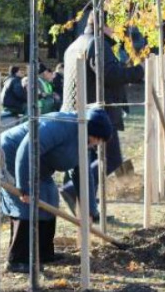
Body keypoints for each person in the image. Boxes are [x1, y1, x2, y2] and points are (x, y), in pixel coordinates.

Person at [0, 108, 113, 273]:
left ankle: (44, 253)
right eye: (98, 138)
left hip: (40, 166)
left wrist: (89, 209)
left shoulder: (84, 141)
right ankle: (17, 259)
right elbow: (27, 149)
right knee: (26, 206)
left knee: (50, 198)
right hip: (12, 156)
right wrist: (25, 187)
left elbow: (83, 174)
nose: (97, 143)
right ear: (92, 131)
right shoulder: (60, 125)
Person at [59, 11, 145, 214]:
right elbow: (109, 75)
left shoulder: (77, 43)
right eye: (116, 24)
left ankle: (87, 206)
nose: (119, 30)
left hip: (78, 111)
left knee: (83, 160)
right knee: (110, 159)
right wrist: (139, 70)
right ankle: (73, 191)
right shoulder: (97, 44)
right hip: (98, 114)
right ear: (105, 24)